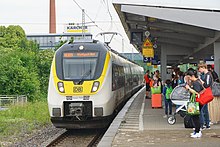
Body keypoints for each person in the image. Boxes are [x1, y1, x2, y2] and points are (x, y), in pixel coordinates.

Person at [185, 68, 204, 138]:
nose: (188, 78)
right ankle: (196, 130)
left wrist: (189, 88)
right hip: (195, 102)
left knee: (195, 117)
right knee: (194, 116)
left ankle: (198, 131)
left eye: (189, 77)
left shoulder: (196, 83)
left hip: (197, 102)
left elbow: (196, 92)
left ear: (192, 75)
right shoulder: (196, 82)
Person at [198, 63, 212, 129]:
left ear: (203, 67)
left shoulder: (208, 75)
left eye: (199, 68)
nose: (199, 70)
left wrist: (201, 80)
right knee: (205, 109)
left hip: (206, 94)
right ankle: (207, 123)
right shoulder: (205, 75)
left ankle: (202, 124)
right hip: (206, 94)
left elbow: (207, 85)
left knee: (201, 109)